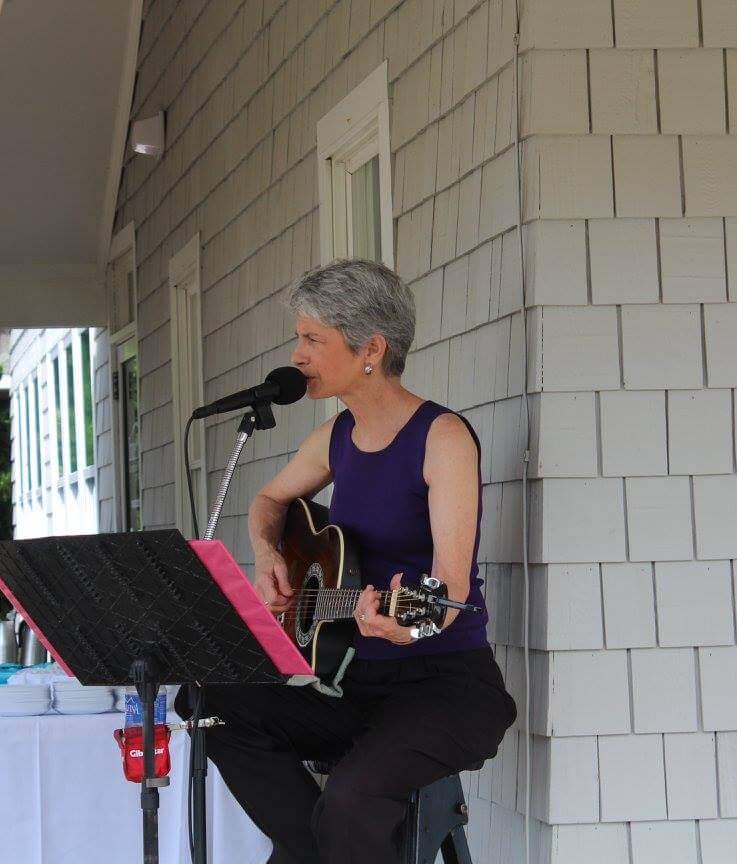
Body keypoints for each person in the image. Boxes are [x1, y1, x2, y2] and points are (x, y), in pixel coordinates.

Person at [176, 260, 517, 864]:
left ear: (371, 348)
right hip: (357, 682)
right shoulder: (336, 436)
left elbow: (450, 590)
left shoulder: (442, 438)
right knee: (209, 704)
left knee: (352, 801)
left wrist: (409, 620)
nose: (297, 353)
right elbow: (269, 500)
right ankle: (308, 852)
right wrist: (266, 555)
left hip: (445, 685)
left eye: (312, 339)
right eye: (299, 337)